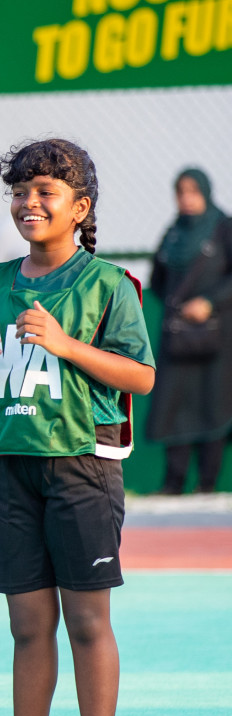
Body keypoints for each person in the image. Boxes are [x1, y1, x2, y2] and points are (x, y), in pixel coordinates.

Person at [0, 138, 154, 716]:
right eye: (20, 191)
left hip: (81, 466)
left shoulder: (108, 285)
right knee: (27, 625)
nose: (28, 203)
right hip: (12, 465)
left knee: (87, 623)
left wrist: (68, 344)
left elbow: (142, 375)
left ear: (80, 207)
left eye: (45, 192)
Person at [147, 169, 232, 495]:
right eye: (180, 191)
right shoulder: (173, 233)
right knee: (174, 404)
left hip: (217, 338)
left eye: (193, 191)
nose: (186, 197)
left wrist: (210, 302)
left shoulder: (223, 228)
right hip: (177, 336)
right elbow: (158, 278)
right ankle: (173, 483)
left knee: (214, 403)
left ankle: (207, 483)